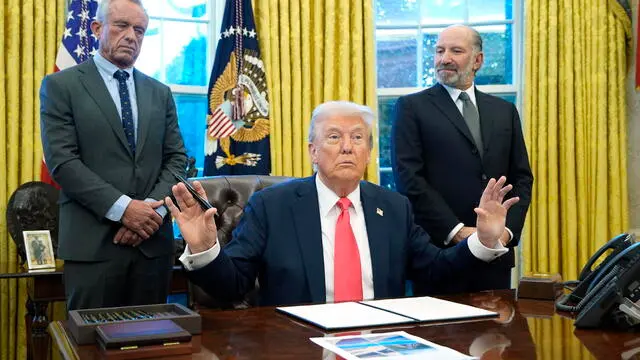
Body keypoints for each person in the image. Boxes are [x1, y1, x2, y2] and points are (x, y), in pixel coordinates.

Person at [167, 101, 518, 307]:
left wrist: (484, 242)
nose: (347, 147)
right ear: (313, 152)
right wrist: (204, 247)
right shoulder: (271, 206)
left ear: (368, 152)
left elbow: (435, 272)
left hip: (382, 345)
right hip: (297, 343)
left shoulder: (394, 207)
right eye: (334, 137)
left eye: (358, 138)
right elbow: (232, 286)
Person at [40, 0, 187, 310]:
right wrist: (124, 210)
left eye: (140, 30)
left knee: (153, 348)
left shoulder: (160, 93)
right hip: (93, 247)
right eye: (121, 25)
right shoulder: (61, 86)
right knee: (91, 349)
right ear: (97, 29)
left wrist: (149, 213)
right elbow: (63, 163)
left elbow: (177, 160)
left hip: (152, 248)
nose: (131, 36)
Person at [391, 25, 533, 294]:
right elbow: (409, 179)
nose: (444, 58)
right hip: (437, 255)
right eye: (439, 50)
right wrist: (457, 231)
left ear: (477, 60)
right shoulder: (411, 108)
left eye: (456, 51)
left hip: (495, 255)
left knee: (495, 336)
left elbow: (521, 179)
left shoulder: (504, 111)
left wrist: (504, 233)